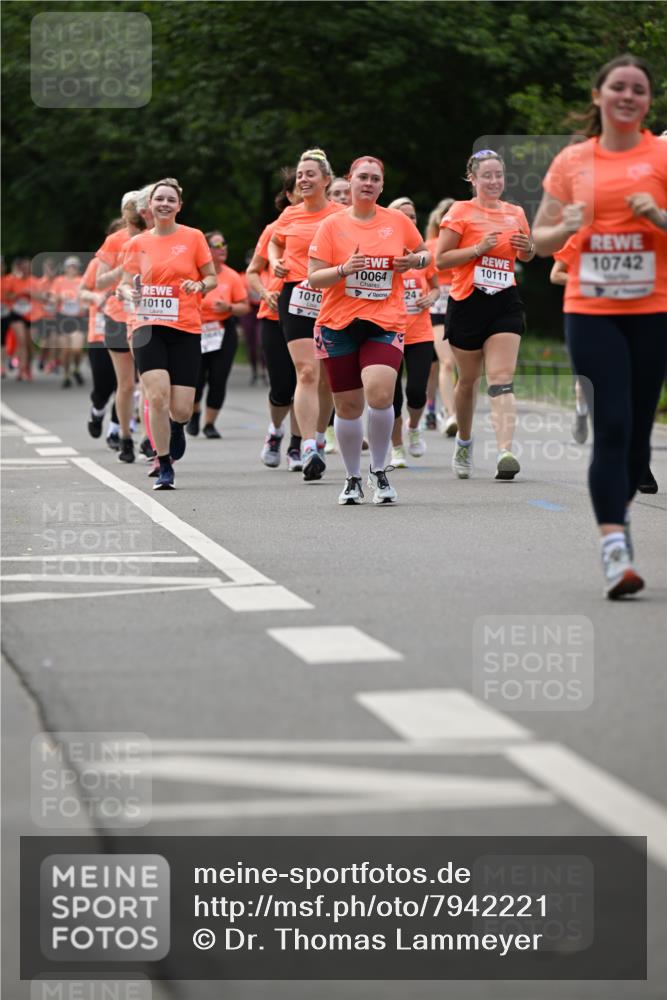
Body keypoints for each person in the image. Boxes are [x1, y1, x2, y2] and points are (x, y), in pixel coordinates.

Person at [532, 54, 667, 598]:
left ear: (648, 102)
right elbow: (538, 241)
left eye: (638, 89)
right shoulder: (571, 161)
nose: (628, 96)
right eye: (618, 87)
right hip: (590, 309)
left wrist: (659, 219)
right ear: (598, 95)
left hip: (653, 308)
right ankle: (614, 548)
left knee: (637, 436)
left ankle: (620, 511)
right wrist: (562, 226)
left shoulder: (662, 154)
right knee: (610, 425)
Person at [309, 155, 431, 505]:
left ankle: (379, 472)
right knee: (347, 406)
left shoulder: (397, 221)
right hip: (338, 323)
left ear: (381, 185)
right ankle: (351, 478)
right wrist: (344, 269)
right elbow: (315, 277)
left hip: (385, 320)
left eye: (375, 179)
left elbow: (424, 255)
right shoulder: (332, 225)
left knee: (379, 393)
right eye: (362, 177)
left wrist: (414, 261)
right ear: (350, 181)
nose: (368, 183)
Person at [436, 150, 535, 481]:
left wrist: (529, 248)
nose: (494, 181)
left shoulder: (515, 212)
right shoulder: (460, 212)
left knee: (501, 378)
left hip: (505, 301)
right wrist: (477, 249)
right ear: (473, 179)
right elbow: (442, 259)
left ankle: (505, 450)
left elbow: (526, 253)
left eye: (499, 175)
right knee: (467, 381)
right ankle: (464, 442)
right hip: (467, 302)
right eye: (487, 176)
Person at [118, 178, 216, 490]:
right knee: (157, 395)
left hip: (185, 327)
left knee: (182, 408)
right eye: (159, 199)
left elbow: (211, 277)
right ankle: (163, 464)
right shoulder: (137, 243)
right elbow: (122, 283)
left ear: (178, 206)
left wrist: (199, 285)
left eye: (170, 200)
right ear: (149, 206)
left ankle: (178, 427)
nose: (164, 204)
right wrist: (127, 294)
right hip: (148, 326)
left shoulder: (194, 237)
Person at [269, 148, 340, 480]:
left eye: (310, 174)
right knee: (306, 371)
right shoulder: (290, 215)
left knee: (327, 376)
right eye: (299, 175)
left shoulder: (342, 214)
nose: (303, 179)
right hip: (296, 295)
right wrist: (275, 261)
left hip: (334, 296)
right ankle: (308, 444)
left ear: (326, 180)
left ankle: (321, 437)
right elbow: (274, 242)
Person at [246, 166, 304, 470]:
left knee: (304, 380)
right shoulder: (275, 229)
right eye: (297, 188)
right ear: (289, 195)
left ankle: (297, 446)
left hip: (311, 312)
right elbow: (253, 271)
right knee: (282, 387)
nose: (303, 192)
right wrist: (265, 292)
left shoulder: (330, 222)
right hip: (273, 313)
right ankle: (275, 432)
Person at [387, 197, 440, 466]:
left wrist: (431, 298)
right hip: (390, 332)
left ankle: (414, 427)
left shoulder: (422, 256)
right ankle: (397, 447)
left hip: (420, 332)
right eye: (402, 215)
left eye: (413, 216)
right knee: (393, 395)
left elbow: (436, 286)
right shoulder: (383, 251)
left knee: (417, 391)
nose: (409, 220)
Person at [96, 190, 147, 460]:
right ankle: (125, 436)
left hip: (148, 317)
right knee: (126, 384)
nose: (132, 222)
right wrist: (123, 270)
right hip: (118, 315)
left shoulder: (154, 238)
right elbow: (99, 282)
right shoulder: (114, 241)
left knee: (150, 381)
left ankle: (149, 437)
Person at [187, 231, 249, 439]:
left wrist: (229, 306)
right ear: (206, 250)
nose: (223, 248)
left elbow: (245, 307)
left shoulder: (231, 276)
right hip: (197, 330)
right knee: (196, 378)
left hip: (223, 330)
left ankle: (209, 424)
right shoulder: (195, 273)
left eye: (225, 244)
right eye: (217, 244)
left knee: (218, 378)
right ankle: (194, 414)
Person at [425, 198, 458, 435]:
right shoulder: (427, 245)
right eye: (445, 212)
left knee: (460, 367)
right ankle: (450, 414)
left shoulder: (468, 243)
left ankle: (451, 410)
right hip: (435, 308)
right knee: (443, 363)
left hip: (462, 305)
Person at [51, 256, 87, 388]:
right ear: (65, 268)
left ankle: (76, 369)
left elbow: (86, 297)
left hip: (78, 318)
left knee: (77, 349)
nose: (72, 269)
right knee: (65, 350)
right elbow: (53, 298)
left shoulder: (81, 281)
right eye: (70, 266)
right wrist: (58, 298)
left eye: (75, 266)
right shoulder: (59, 281)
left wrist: (83, 304)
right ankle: (66, 375)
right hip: (63, 317)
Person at [239, 248, 266, 385]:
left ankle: (264, 370)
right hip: (249, 311)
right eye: (250, 259)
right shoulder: (242, 277)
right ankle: (254, 370)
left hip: (262, 309)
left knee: (260, 340)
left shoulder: (266, 275)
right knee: (251, 342)